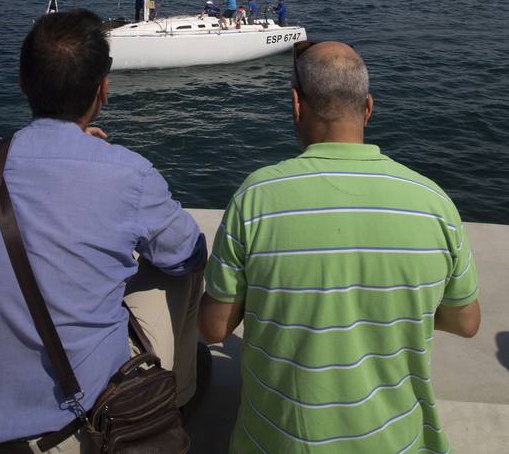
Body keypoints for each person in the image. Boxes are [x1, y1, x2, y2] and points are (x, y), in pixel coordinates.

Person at [0, 9, 207, 452]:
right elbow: (189, 253)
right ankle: (176, 403)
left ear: (22, 84)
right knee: (182, 268)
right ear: (103, 90)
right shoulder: (129, 173)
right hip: (74, 431)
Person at [199, 41, 480, 454]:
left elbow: (214, 328)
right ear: (368, 108)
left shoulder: (255, 198)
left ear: (296, 105)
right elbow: (466, 322)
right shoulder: (434, 203)